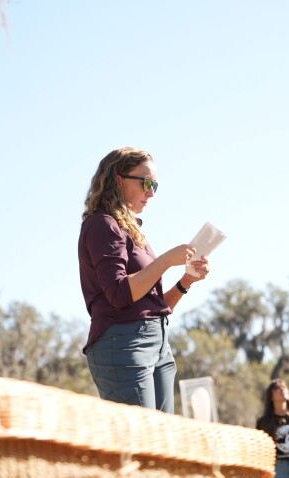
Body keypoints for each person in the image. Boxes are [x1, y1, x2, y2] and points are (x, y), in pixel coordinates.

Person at [78, 147, 209, 413]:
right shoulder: (102, 224)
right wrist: (164, 261)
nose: (151, 192)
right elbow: (118, 293)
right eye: (147, 183)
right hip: (124, 344)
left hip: (158, 344)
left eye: (155, 186)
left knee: (162, 446)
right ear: (118, 179)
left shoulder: (131, 230)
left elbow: (155, 307)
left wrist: (186, 281)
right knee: (142, 446)